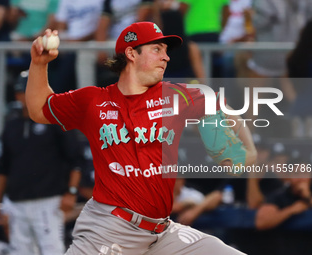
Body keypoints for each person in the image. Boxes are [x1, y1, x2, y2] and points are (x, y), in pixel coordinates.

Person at [26, 22, 256, 254]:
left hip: (162, 233)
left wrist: (249, 149)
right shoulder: (93, 100)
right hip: (110, 228)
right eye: (157, 49)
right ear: (130, 53)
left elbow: (217, 101)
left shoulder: (175, 96)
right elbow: (39, 109)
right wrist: (39, 64)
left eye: (166, 51)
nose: (166, 57)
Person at [0, 70, 82, 255]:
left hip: (48, 201)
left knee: (52, 250)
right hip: (16, 202)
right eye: (23, 91)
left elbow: (76, 160)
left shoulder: (56, 120)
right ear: (17, 95)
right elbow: (3, 167)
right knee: (20, 252)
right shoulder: (11, 125)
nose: (26, 95)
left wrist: (71, 192)